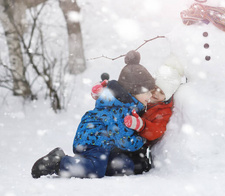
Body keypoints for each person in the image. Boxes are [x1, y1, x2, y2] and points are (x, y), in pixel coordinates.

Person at [31, 50, 156, 179]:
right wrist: (142, 140)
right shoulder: (120, 109)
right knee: (95, 170)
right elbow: (123, 140)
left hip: (103, 144)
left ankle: (98, 164)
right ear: (135, 91)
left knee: (125, 165)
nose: (150, 96)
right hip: (93, 142)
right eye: (147, 92)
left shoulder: (126, 105)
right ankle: (58, 162)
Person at [105, 55, 183, 176]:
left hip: (139, 145)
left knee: (137, 166)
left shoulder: (163, 111)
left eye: (161, 92)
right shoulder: (143, 97)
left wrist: (141, 125)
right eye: (155, 88)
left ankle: (108, 165)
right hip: (124, 137)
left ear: (167, 96)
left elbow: (157, 130)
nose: (155, 93)